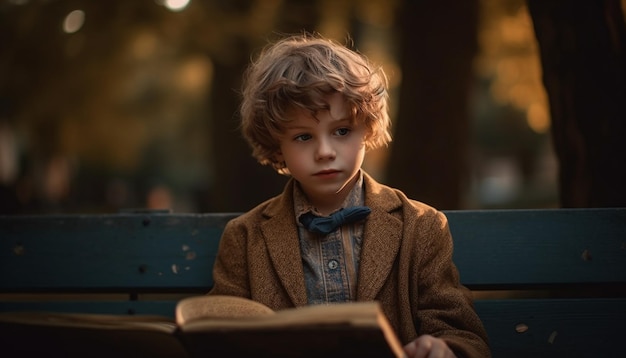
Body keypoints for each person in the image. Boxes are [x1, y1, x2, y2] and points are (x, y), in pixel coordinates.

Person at [209, 33, 490, 358]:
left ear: (367, 129)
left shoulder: (421, 226)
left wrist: (444, 348)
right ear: (277, 147)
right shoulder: (244, 237)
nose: (325, 152)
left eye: (342, 131)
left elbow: (460, 331)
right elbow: (220, 334)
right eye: (303, 137)